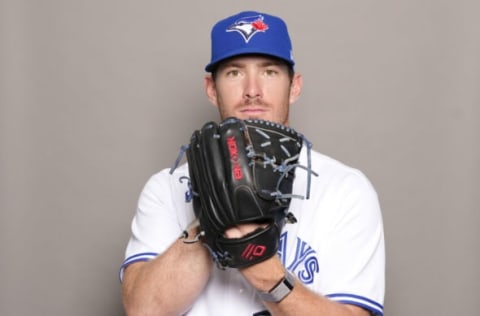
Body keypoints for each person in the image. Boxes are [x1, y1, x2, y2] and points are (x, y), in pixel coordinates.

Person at [120, 10, 385, 316]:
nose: (252, 90)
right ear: (211, 88)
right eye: (234, 72)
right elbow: (144, 310)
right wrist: (210, 220)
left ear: (295, 86)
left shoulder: (346, 190)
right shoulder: (166, 188)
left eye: (269, 72)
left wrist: (259, 262)